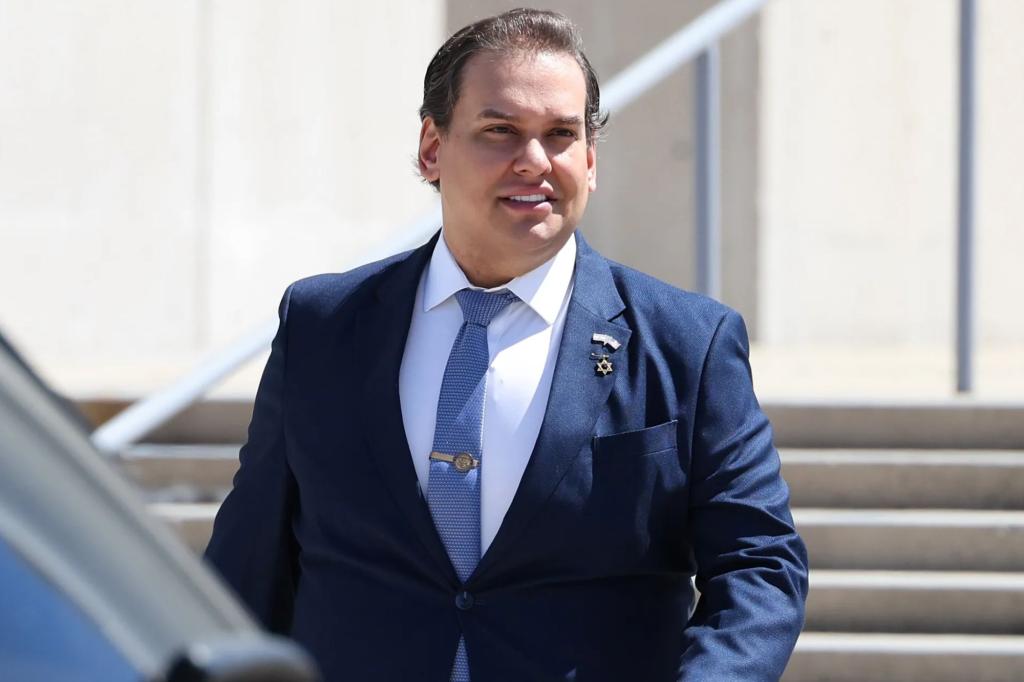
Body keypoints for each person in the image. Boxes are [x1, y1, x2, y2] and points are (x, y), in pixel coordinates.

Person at [205, 8, 808, 681]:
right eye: (501, 132)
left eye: (561, 134)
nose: (535, 162)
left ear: (590, 159)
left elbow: (759, 566)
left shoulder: (687, 343)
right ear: (432, 148)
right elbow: (247, 565)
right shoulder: (323, 325)